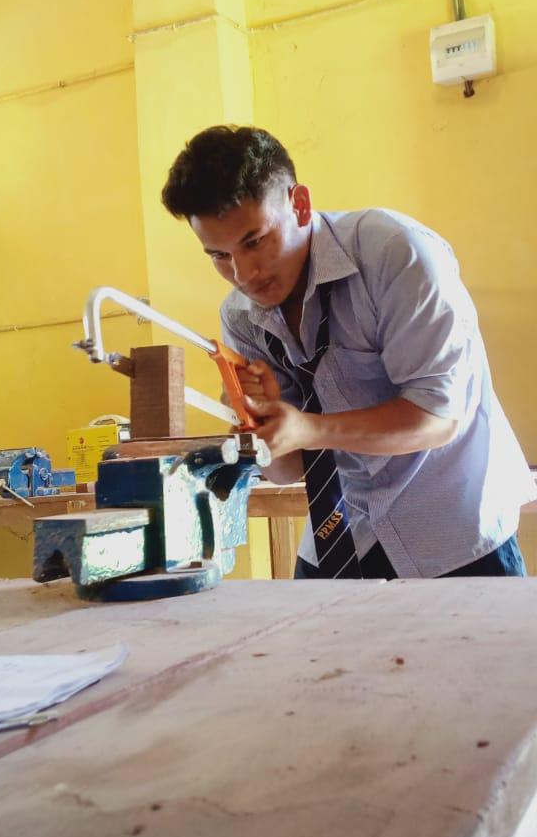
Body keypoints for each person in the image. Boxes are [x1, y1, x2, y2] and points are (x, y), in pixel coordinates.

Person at [162, 125, 535, 579]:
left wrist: (309, 428)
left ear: (299, 204)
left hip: (452, 537)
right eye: (218, 256)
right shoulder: (241, 317)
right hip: (340, 536)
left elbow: (438, 417)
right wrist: (265, 424)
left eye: (254, 241)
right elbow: (283, 471)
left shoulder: (397, 254)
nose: (243, 274)